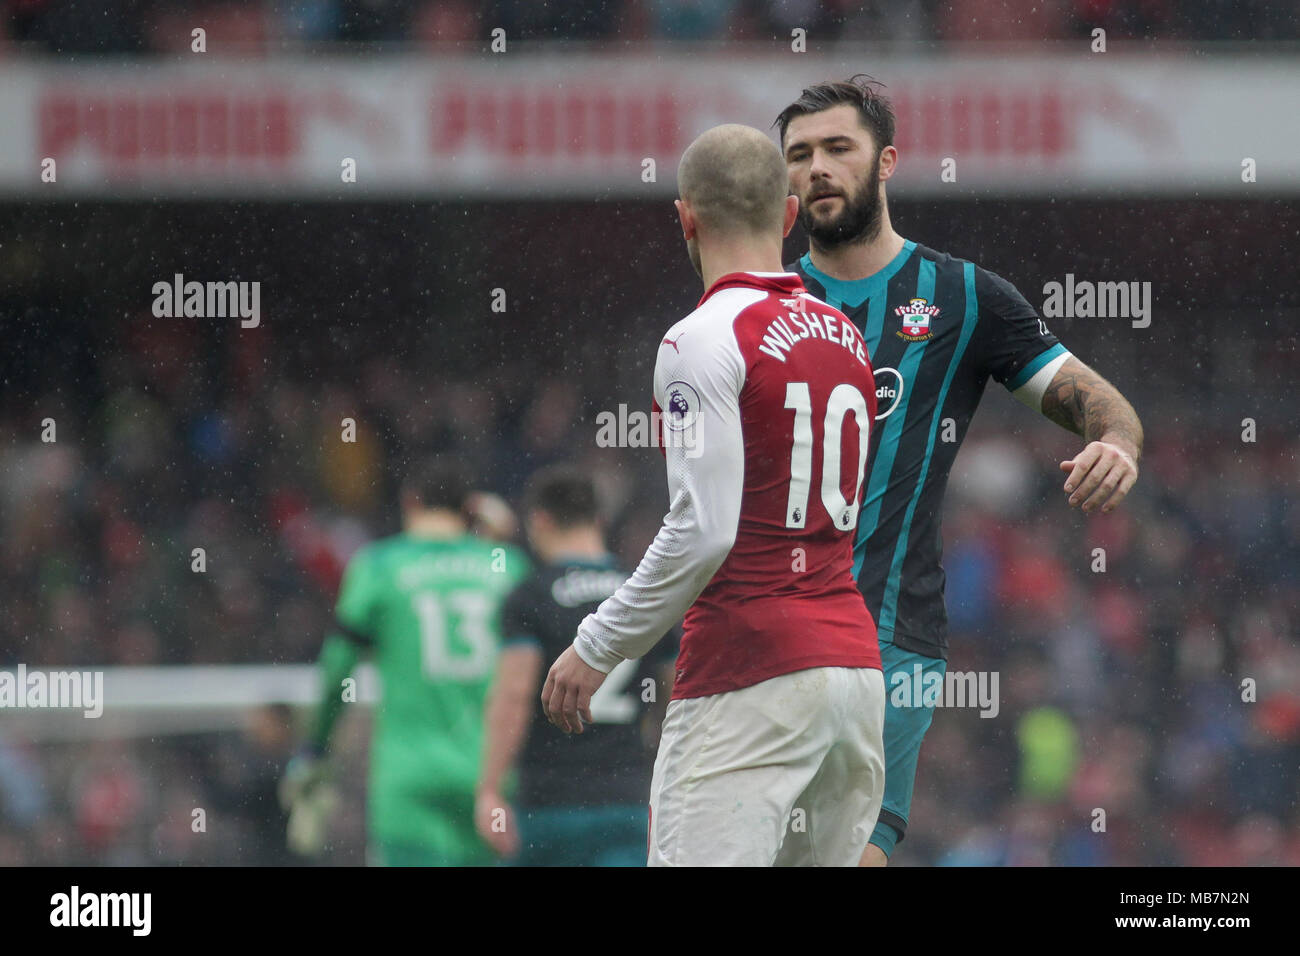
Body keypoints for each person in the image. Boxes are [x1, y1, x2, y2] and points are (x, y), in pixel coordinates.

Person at [775, 76, 1144, 865]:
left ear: (887, 163)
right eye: (799, 155)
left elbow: (1096, 401)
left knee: (854, 846)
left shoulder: (962, 297)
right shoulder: (759, 303)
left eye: (839, 148)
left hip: (889, 629)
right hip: (761, 626)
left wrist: (1116, 440)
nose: (818, 169)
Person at [541, 124, 886, 866]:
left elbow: (704, 529)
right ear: (791, 216)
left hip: (748, 670)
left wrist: (598, 645)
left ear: (685, 217)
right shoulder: (846, 336)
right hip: (852, 675)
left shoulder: (698, 339)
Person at [281, 458, 529, 865]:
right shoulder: (507, 568)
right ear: (470, 510)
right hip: (489, 777)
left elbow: (337, 670)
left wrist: (315, 748)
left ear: (410, 503)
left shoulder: (379, 567)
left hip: (407, 779)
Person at [475, 465, 674, 866]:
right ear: (599, 520)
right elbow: (674, 693)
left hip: (550, 805)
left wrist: (490, 789)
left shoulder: (530, 595)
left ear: (540, 520)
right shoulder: (644, 592)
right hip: (627, 800)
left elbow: (514, 694)